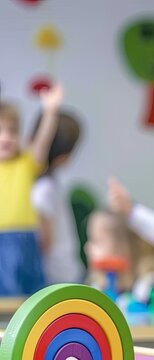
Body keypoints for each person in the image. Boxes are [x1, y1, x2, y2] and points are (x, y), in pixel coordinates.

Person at [0, 84, 63, 295]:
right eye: (0, 131)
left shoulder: (25, 163)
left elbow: (42, 142)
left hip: (27, 238)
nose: (6, 137)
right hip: (2, 238)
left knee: (30, 293)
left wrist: (50, 111)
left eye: (12, 131)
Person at [31, 110, 85, 284]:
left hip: (62, 275)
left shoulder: (46, 185)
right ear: (63, 158)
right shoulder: (44, 188)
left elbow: (44, 240)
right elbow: (44, 241)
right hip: (59, 276)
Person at [85, 209, 154, 302]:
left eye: (96, 241)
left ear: (124, 247)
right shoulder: (96, 288)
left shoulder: (148, 288)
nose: (87, 248)